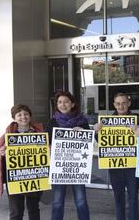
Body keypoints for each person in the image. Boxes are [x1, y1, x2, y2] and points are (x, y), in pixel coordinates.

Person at [0, 104, 43, 220]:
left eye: (26, 114)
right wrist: (2, 153)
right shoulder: (8, 135)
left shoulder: (40, 133)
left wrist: (47, 148)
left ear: (30, 116)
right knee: (16, 212)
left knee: (34, 209)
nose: (23, 117)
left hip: (35, 176)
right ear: (14, 118)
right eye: (19, 115)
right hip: (15, 178)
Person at [95, 93, 139, 220]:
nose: (121, 106)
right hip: (115, 167)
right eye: (118, 103)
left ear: (129, 104)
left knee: (133, 199)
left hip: (132, 167)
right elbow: (100, 141)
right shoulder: (106, 121)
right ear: (114, 105)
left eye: (124, 103)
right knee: (118, 199)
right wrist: (97, 131)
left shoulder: (137, 119)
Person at [45, 91, 90, 220]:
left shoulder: (82, 122)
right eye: (60, 102)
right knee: (58, 202)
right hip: (59, 168)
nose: (62, 105)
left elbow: (90, 143)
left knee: (81, 201)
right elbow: (45, 143)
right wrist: (50, 147)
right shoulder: (52, 122)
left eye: (66, 102)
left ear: (72, 104)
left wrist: (84, 133)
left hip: (77, 169)